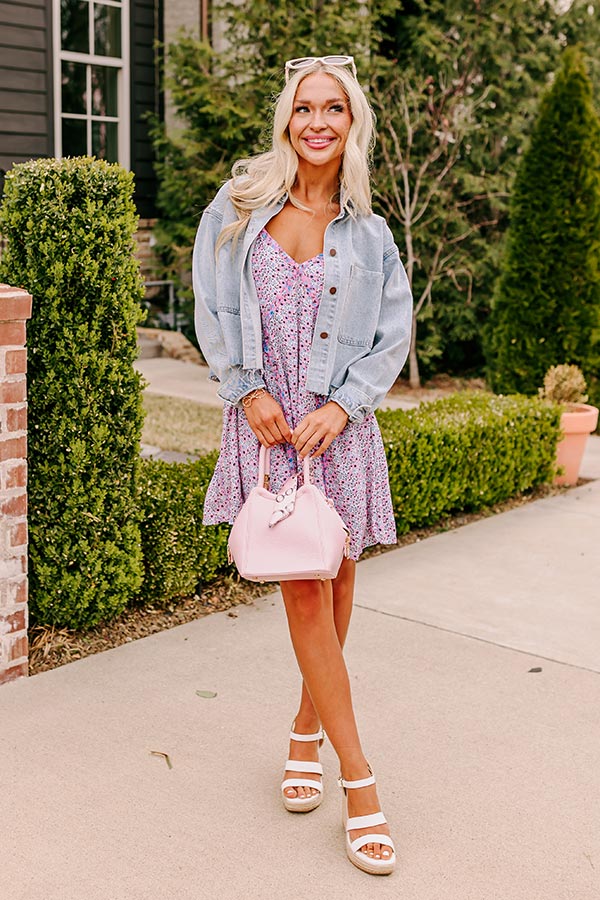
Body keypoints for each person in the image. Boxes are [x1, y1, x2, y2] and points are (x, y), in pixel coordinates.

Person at [192, 55, 412, 876]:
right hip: (269, 430)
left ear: (352, 124)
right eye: (304, 107)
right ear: (287, 119)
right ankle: (360, 782)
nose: (318, 122)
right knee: (305, 593)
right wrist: (245, 388)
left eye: (334, 109)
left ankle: (304, 728)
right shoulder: (239, 205)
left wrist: (344, 405)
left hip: (336, 430)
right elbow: (211, 303)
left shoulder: (371, 233)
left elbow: (392, 334)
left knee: (338, 580)